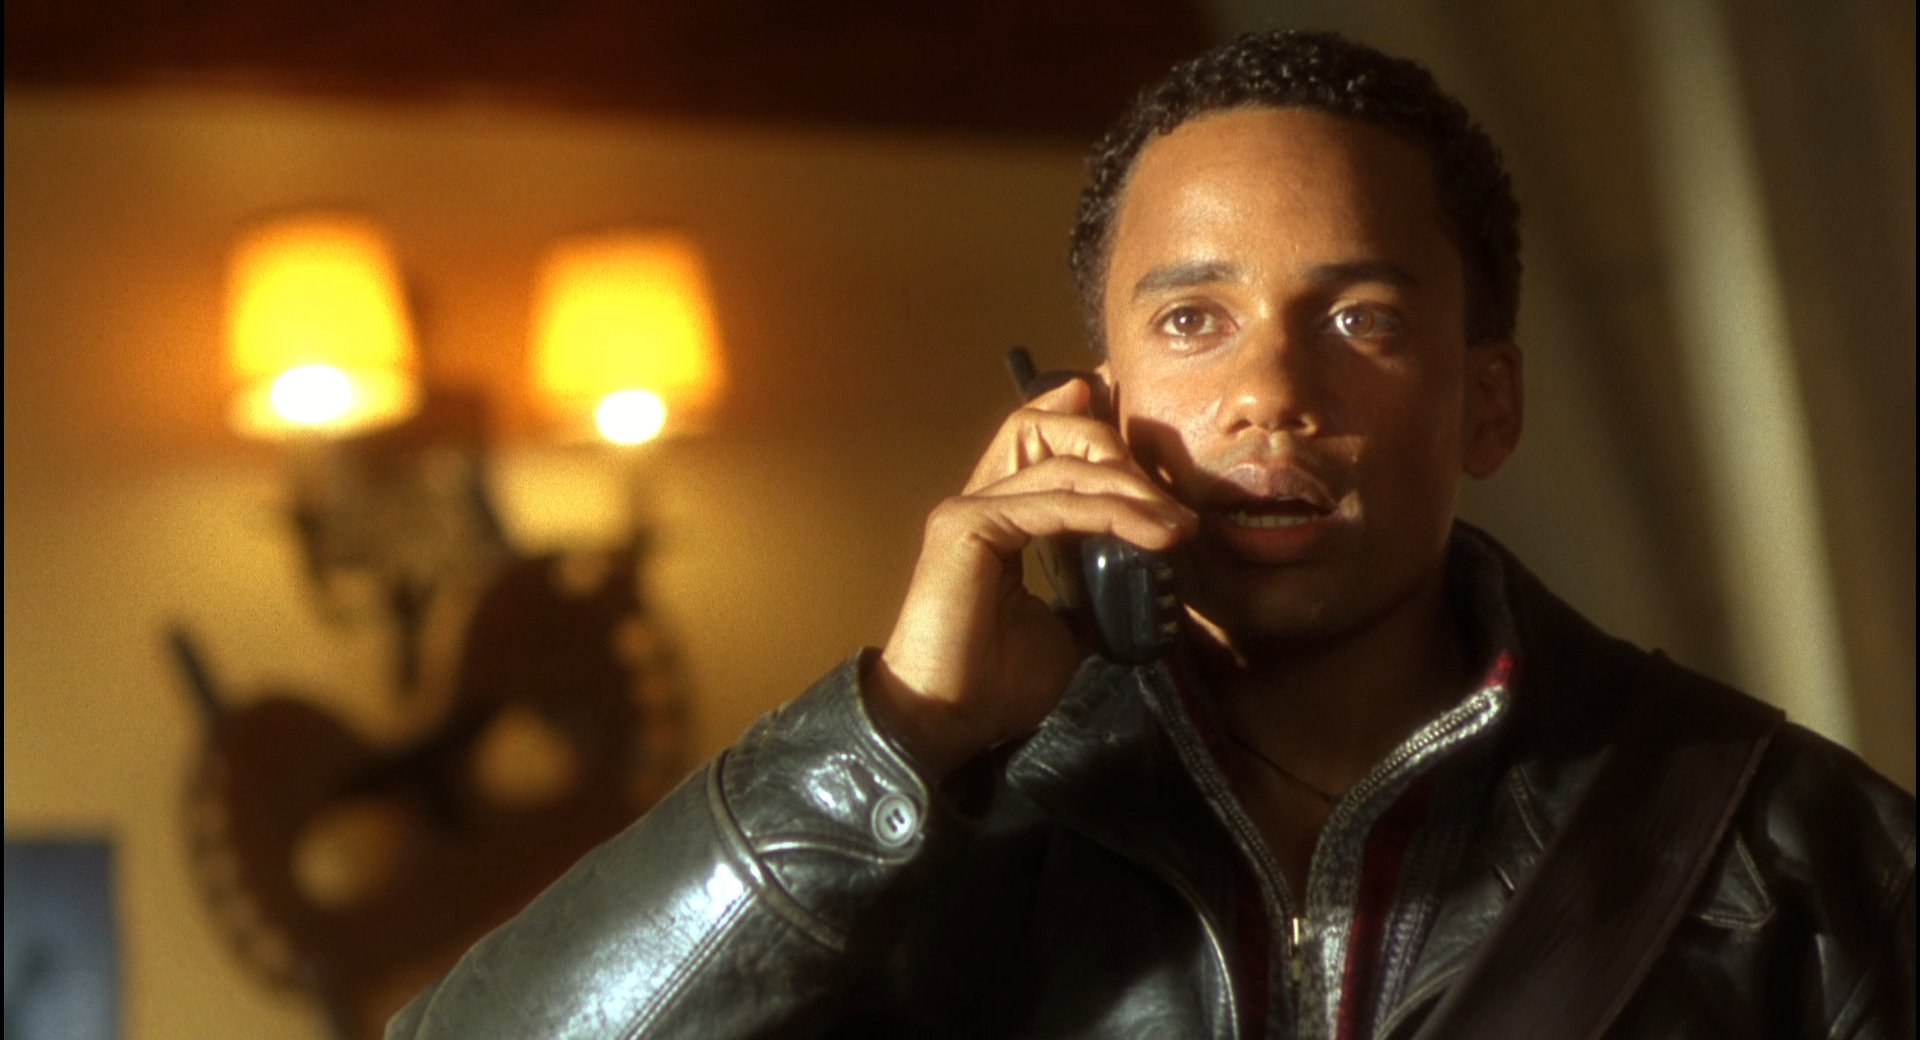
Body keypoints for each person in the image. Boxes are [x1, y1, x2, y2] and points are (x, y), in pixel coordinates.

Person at [388, 29, 1914, 1039]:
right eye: (1194, 321)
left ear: (1486, 405)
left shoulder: (1797, 853)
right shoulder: (934, 840)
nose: (1268, 392)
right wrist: (897, 733)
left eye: (1361, 320)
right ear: (1094, 405)